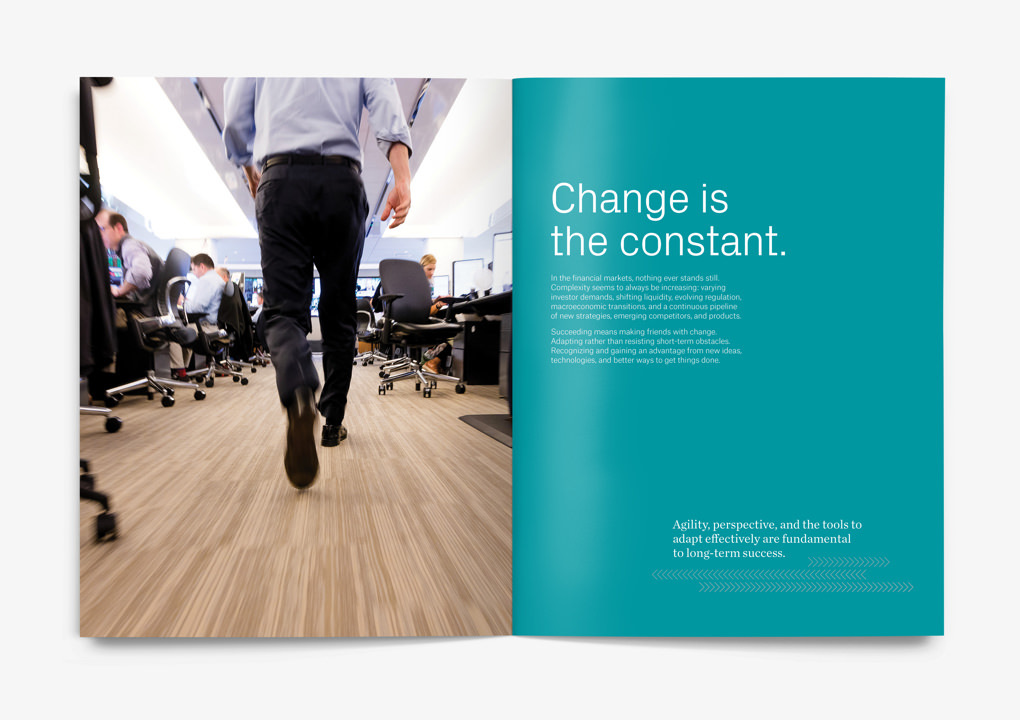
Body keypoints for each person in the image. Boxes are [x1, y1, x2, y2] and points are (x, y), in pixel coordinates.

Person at [222, 78, 413, 489]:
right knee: (340, 311)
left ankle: (298, 387)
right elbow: (386, 105)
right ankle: (332, 423)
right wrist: (402, 178)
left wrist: (250, 167)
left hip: (281, 180)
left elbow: (236, 118)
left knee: (283, 310)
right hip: (341, 184)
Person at [169, 253, 226, 375]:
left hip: (207, 327)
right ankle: (184, 369)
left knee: (174, 332)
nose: (194, 273)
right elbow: (202, 304)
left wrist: (181, 302)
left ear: (202, 267)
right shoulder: (218, 279)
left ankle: (181, 371)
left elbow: (197, 308)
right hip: (216, 326)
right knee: (186, 328)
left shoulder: (206, 280)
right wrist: (188, 302)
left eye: (194, 269)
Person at [96, 209, 163, 305]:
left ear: (118, 228)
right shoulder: (131, 245)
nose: (99, 235)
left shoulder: (129, 245)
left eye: (102, 229)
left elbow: (141, 272)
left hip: (145, 310)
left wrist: (119, 291)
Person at [419, 253, 451, 374]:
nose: (432, 273)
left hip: (414, 320)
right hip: (421, 322)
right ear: (421, 268)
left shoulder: (419, 283)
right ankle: (434, 362)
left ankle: (433, 361)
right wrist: (438, 305)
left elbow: (421, 304)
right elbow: (425, 312)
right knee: (451, 332)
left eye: (434, 269)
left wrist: (434, 301)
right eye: (429, 269)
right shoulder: (422, 284)